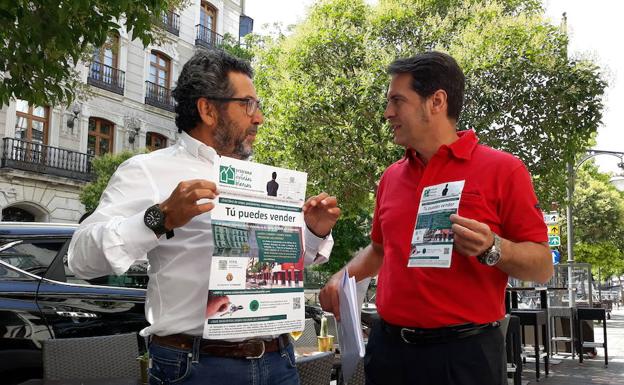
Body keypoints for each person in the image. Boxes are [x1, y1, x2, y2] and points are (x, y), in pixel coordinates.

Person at [68, 49, 341, 385]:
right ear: (208, 109)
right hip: (198, 366)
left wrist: (312, 232)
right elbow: (80, 259)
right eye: (249, 105)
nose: (259, 118)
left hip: (279, 361)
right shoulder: (149, 171)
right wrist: (160, 218)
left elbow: (283, 264)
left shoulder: (261, 180)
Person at [319, 51, 552, 385]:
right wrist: (340, 279)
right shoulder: (390, 178)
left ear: (437, 101)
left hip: (465, 356)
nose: (388, 113)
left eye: (397, 101)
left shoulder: (504, 170)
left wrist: (493, 247)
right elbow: (381, 250)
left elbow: (543, 265)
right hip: (389, 352)